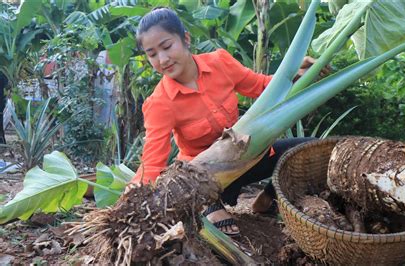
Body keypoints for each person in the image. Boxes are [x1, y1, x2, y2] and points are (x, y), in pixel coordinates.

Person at [131, 7, 327, 236]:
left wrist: (295, 71)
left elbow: (262, 86)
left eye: (166, 47)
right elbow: (152, 162)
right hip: (204, 178)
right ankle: (209, 206)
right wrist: (131, 198)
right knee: (187, 181)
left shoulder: (220, 63)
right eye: (152, 54)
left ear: (185, 38)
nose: (162, 59)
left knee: (307, 150)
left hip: (246, 158)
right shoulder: (160, 102)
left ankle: (266, 199)